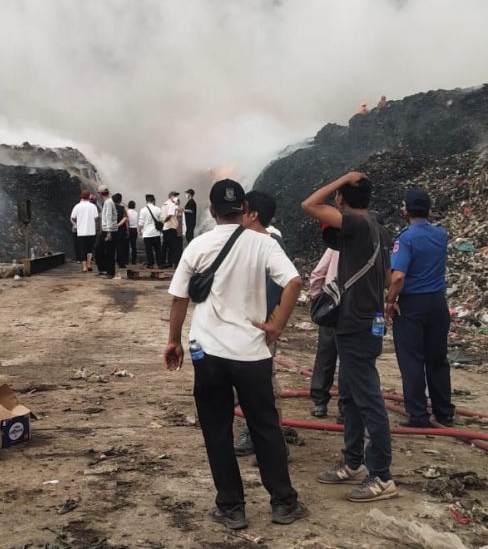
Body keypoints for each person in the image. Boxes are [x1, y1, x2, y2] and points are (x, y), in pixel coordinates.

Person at [164, 179, 307, 529]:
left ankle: (231, 508)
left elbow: (179, 298)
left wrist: (174, 341)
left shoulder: (198, 246)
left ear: (212, 212)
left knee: (217, 430)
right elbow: (294, 283)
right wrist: (276, 325)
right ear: (244, 209)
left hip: (207, 353)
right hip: (252, 354)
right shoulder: (265, 243)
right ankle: (283, 503)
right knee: (265, 427)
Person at [302, 172, 397, 503]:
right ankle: (353, 461)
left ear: (342, 199)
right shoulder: (379, 229)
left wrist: (343, 177)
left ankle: (382, 476)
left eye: (339, 195)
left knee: (368, 398)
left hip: (356, 323)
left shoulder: (354, 224)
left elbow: (309, 204)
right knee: (353, 395)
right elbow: (389, 278)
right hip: (366, 320)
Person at [385, 187, 454, 427]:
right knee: (437, 358)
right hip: (437, 302)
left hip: (412, 304)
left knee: (412, 359)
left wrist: (390, 301)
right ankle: (444, 411)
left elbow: (398, 277)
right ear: (429, 209)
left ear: (406, 209)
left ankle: (418, 414)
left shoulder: (405, 238)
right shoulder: (441, 234)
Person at [232, 191, 290, 458]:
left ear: (253, 214)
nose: (239, 216)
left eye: (242, 210)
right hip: (248, 324)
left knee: (263, 380)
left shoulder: (269, 243)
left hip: (261, 325)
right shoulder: (247, 240)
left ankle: (270, 440)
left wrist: (273, 323)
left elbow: (287, 283)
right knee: (252, 380)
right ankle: (256, 432)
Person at [308, 243, 342, 420]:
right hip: (359, 309)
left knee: (326, 355)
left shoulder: (337, 245)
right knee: (351, 360)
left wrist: (316, 298)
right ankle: (346, 408)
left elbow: (318, 273)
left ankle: (320, 403)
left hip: (332, 306)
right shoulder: (374, 243)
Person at [70, 190, 99, 273]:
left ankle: (84, 267)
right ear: (89, 196)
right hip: (91, 231)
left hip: (81, 231)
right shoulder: (93, 206)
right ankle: (89, 264)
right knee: (89, 249)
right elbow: (96, 218)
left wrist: (76, 225)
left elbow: (72, 217)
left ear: (81, 196)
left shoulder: (77, 206)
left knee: (82, 249)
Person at [96, 186, 117, 278]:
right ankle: (106, 270)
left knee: (108, 251)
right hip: (108, 230)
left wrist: (108, 232)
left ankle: (110, 273)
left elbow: (108, 216)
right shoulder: (109, 201)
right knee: (102, 250)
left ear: (100, 194)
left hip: (108, 230)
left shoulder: (108, 203)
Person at [138, 194, 163, 269]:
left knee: (149, 250)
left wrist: (139, 231)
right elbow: (162, 220)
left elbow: (141, 223)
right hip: (156, 233)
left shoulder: (143, 210)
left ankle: (151, 264)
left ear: (146, 201)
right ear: (153, 200)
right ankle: (160, 264)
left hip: (147, 234)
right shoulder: (158, 209)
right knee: (158, 250)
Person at [162, 192, 183, 268]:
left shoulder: (164, 204)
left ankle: (164, 262)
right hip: (172, 227)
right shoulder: (172, 205)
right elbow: (170, 215)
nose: (176, 197)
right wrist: (164, 220)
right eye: (175, 196)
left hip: (165, 228)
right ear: (171, 197)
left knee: (165, 246)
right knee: (173, 247)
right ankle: (174, 263)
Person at [113, 193, 129, 270]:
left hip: (111, 229)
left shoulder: (110, 208)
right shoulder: (122, 208)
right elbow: (126, 218)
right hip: (120, 230)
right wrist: (118, 225)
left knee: (111, 246)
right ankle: (121, 263)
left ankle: (110, 262)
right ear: (120, 200)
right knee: (120, 247)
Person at [127, 200, 140, 265]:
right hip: (134, 229)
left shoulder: (127, 212)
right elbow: (137, 222)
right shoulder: (136, 213)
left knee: (126, 245)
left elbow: (127, 221)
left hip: (128, 229)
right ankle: (133, 261)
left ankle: (126, 260)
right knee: (133, 246)